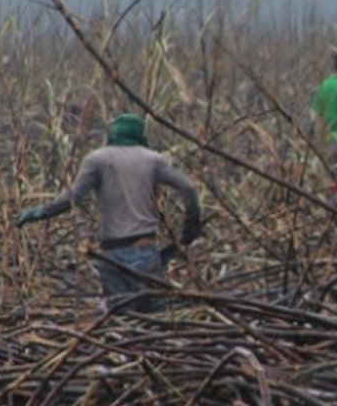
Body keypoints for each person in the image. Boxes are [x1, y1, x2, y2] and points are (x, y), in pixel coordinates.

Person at [16, 113, 201, 312]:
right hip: (144, 251)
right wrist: (190, 229)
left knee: (121, 318)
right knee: (153, 316)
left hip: (111, 254)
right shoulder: (153, 159)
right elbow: (188, 188)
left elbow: (73, 197)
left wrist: (40, 212)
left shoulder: (97, 159)